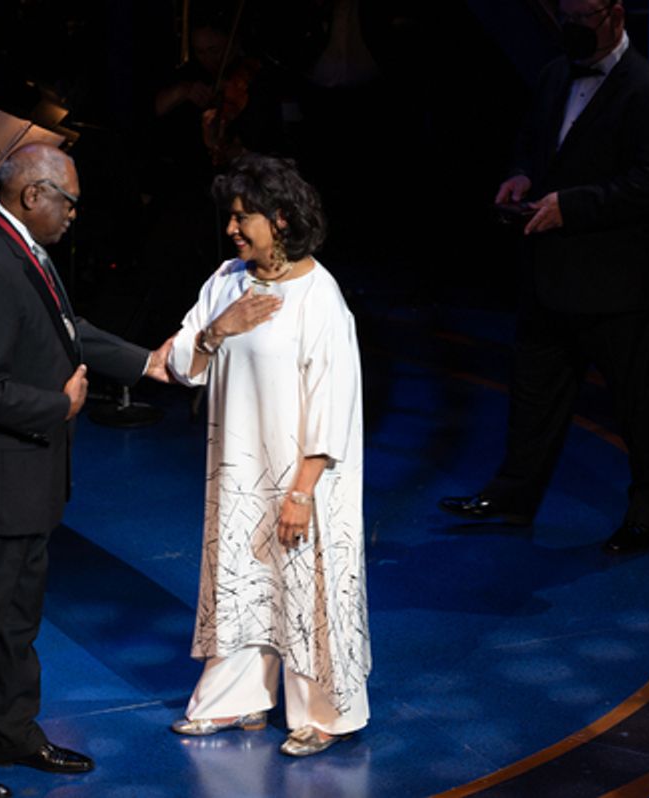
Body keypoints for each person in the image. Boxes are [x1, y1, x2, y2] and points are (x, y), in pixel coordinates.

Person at [0, 143, 171, 798]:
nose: (75, 214)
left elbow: (65, 326)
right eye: (70, 201)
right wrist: (62, 404)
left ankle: (11, 732)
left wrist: (145, 363)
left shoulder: (16, 241)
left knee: (16, 620)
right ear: (33, 194)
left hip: (21, 484)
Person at [439, 0, 649, 554]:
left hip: (621, 284)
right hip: (552, 273)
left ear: (615, 14)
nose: (571, 25)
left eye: (582, 15)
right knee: (533, 393)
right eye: (565, 12)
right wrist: (522, 176)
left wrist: (571, 205)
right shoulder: (555, 73)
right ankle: (513, 495)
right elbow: (534, 142)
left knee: (639, 407)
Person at [166, 154, 370, 757]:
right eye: (229, 217)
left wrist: (302, 491)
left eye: (243, 217)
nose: (232, 229)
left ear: (280, 219)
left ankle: (323, 713)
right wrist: (217, 329)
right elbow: (181, 361)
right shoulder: (227, 280)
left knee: (306, 588)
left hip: (304, 480)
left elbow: (333, 405)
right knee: (241, 578)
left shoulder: (319, 298)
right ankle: (236, 698)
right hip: (240, 471)